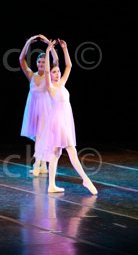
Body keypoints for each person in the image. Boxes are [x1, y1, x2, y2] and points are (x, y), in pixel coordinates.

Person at [34, 39, 97, 195]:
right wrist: (48, 51)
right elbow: (46, 72)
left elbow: (69, 65)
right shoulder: (51, 87)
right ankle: (85, 179)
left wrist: (65, 48)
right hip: (57, 122)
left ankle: (51, 185)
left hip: (64, 121)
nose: (57, 74)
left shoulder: (62, 84)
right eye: (54, 72)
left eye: (58, 71)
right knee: (71, 150)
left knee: (55, 153)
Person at [19, 34, 57, 176]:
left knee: (41, 136)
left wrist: (49, 44)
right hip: (33, 110)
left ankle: (37, 164)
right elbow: (21, 59)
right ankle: (43, 165)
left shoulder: (49, 76)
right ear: (36, 63)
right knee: (39, 136)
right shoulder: (31, 75)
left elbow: (56, 60)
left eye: (43, 62)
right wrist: (28, 42)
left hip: (46, 109)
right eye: (39, 62)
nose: (41, 64)